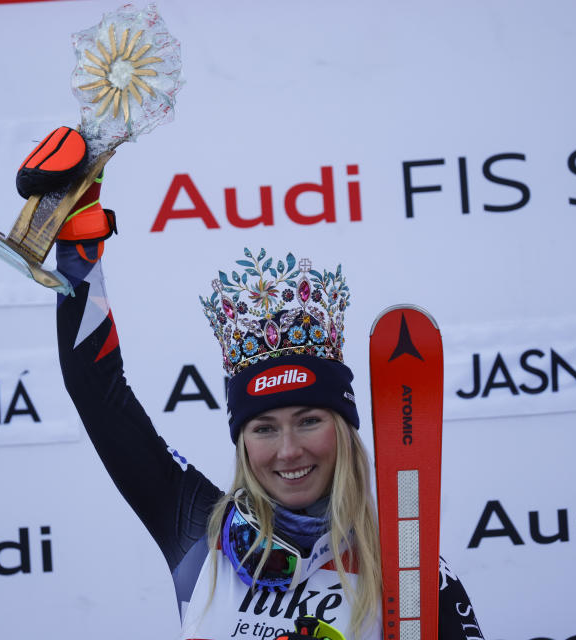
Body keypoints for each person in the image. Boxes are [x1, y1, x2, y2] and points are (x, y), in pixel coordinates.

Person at [29, 131, 484, 640]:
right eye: (263, 427)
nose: (288, 450)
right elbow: (96, 388)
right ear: (243, 441)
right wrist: (78, 238)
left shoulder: (412, 572)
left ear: (345, 429)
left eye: (309, 420)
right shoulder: (199, 530)